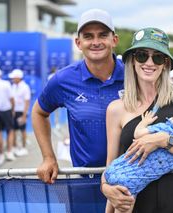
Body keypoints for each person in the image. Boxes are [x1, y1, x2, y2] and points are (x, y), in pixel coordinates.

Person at [101, 27, 173, 213]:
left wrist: (163, 140)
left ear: (165, 64)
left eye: (158, 57)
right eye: (142, 55)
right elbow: (111, 166)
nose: (150, 63)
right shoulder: (116, 109)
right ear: (132, 61)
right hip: (139, 203)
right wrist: (106, 189)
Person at [32, 8, 123, 184]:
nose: (96, 42)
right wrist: (48, 157)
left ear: (114, 40)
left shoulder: (133, 75)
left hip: (132, 181)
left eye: (102, 35)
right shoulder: (63, 79)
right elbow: (38, 113)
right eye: (88, 36)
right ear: (78, 43)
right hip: (85, 182)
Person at [104, 106, 173, 213]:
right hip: (131, 184)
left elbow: (138, 134)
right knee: (124, 205)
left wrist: (144, 122)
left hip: (117, 169)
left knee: (114, 203)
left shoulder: (164, 128)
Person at [9, 69, 31, 157]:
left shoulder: (25, 87)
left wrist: (24, 115)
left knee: (22, 130)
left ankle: (23, 147)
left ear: (18, 78)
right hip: (14, 111)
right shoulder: (13, 86)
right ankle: (14, 147)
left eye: (14, 78)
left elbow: (27, 102)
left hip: (22, 111)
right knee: (13, 130)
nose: (12, 79)